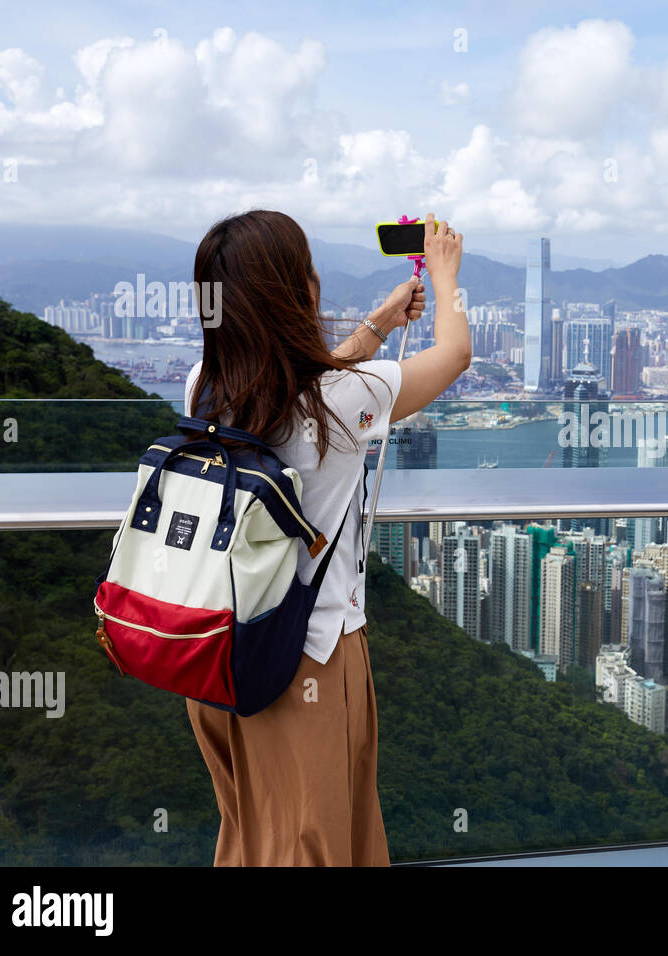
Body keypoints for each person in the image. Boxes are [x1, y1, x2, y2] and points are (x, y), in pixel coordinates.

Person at [181, 209, 469, 865]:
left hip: (217, 653)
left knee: (251, 833)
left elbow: (302, 386)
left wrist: (382, 322)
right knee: (318, 845)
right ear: (296, 293)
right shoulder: (342, 398)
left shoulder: (207, 388)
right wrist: (446, 273)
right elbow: (454, 354)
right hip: (306, 659)